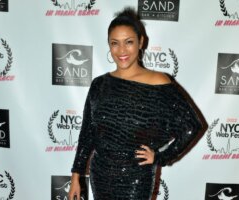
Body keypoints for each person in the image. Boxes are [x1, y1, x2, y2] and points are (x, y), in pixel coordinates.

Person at [69, 7, 204, 200]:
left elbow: (191, 126)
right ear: (109, 45)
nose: (121, 50)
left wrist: (160, 157)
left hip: (137, 178)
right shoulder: (99, 84)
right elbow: (87, 134)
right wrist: (76, 176)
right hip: (100, 175)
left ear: (141, 42)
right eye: (115, 43)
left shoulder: (159, 82)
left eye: (129, 42)